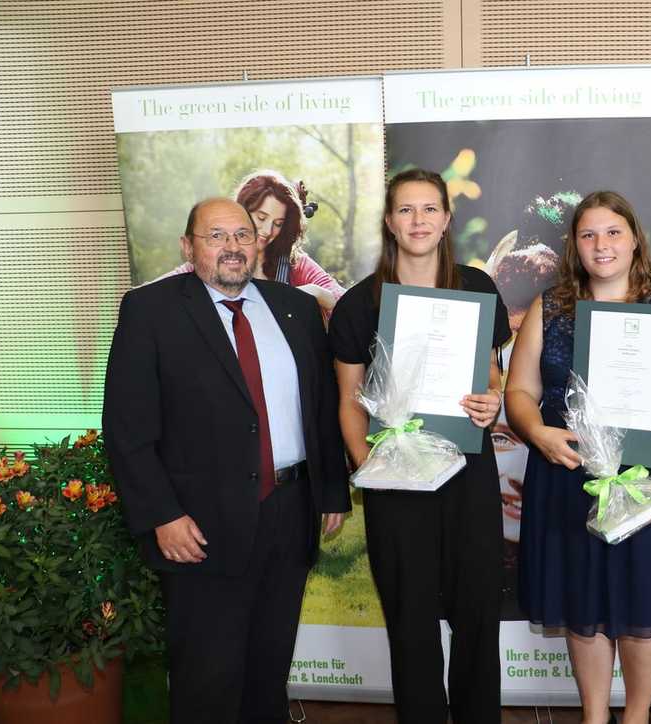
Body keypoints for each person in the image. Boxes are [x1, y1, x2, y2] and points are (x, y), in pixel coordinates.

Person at [102, 198, 350, 724]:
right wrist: (162, 515)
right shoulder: (150, 311)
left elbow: (321, 408)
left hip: (289, 513)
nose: (233, 247)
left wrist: (330, 491)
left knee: (269, 669)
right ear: (188, 246)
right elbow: (127, 430)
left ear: (258, 244)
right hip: (198, 525)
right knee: (206, 678)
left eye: (242, 235)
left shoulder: (297, 309)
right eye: (216, 236)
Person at [506, 190, 651, 724]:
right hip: (569, 479)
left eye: (613, 231)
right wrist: (537, 433)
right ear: (574, 244)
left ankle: (636, 716)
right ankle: (594, 715)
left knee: (644, 606)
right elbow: (519, 393)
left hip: (648, 487)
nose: (602, 244)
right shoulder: (550, 309)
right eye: (588, 234)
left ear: (635, 238)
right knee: (583, 606)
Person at [329, 168, 509, 723]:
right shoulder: (360, 305)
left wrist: (492, 400)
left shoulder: (477, 287)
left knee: (478, 617)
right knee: (410, 624)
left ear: (447, 219)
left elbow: (493, 376)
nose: (418, 221)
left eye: (429, 209)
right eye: (406, 210)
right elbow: (349, 401)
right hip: (397, 487)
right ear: (388, 220)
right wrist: (371, 468)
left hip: (467, 475)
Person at [158, 170, 346, 314]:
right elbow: (149, 296)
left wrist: (318, 294)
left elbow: (343, 301)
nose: (267, 231)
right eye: (261, 218)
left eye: (278, 223)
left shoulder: (294, 262)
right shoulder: (216, 257)